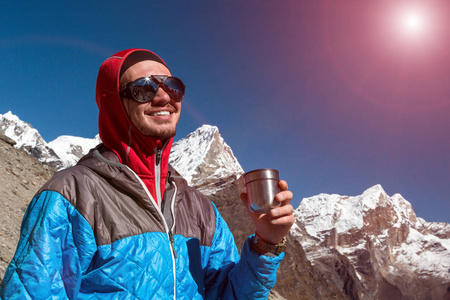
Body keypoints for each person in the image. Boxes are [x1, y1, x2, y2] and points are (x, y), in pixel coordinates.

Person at [0, 48, 294, 299]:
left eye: (172, 86)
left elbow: (228, 294)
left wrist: (266, 243)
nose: (164, 96)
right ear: (115, 104)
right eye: (144, 88)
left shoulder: (202, 210)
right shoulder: (72, 195)